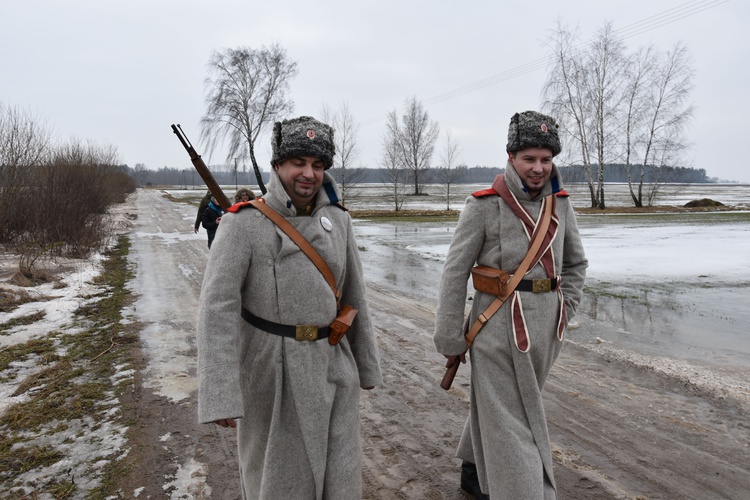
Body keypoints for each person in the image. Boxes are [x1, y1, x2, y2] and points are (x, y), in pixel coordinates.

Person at [196, 115, 383, 499]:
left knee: (340, 478)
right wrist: (220, 392)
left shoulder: (339, 220)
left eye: (317, 165)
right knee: (280, 482)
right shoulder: (242, 225)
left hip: (332, 364)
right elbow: (217, 311)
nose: (308, 174)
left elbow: (354, 296)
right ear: (278, 165)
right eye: (298, 162)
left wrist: (365, 365)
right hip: (272, 373)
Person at [434, 110, 588, 499]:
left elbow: (575, 263)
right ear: (511, 157)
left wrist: (564, 311)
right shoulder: (483, 206)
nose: (538, 168)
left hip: (544, 333)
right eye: (529, 159)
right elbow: (455, 272)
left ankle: (474, 470)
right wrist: (449, 334)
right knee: (513, 421)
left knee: (510, 406)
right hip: (496, 332)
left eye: (545, 159)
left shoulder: (561, 205)